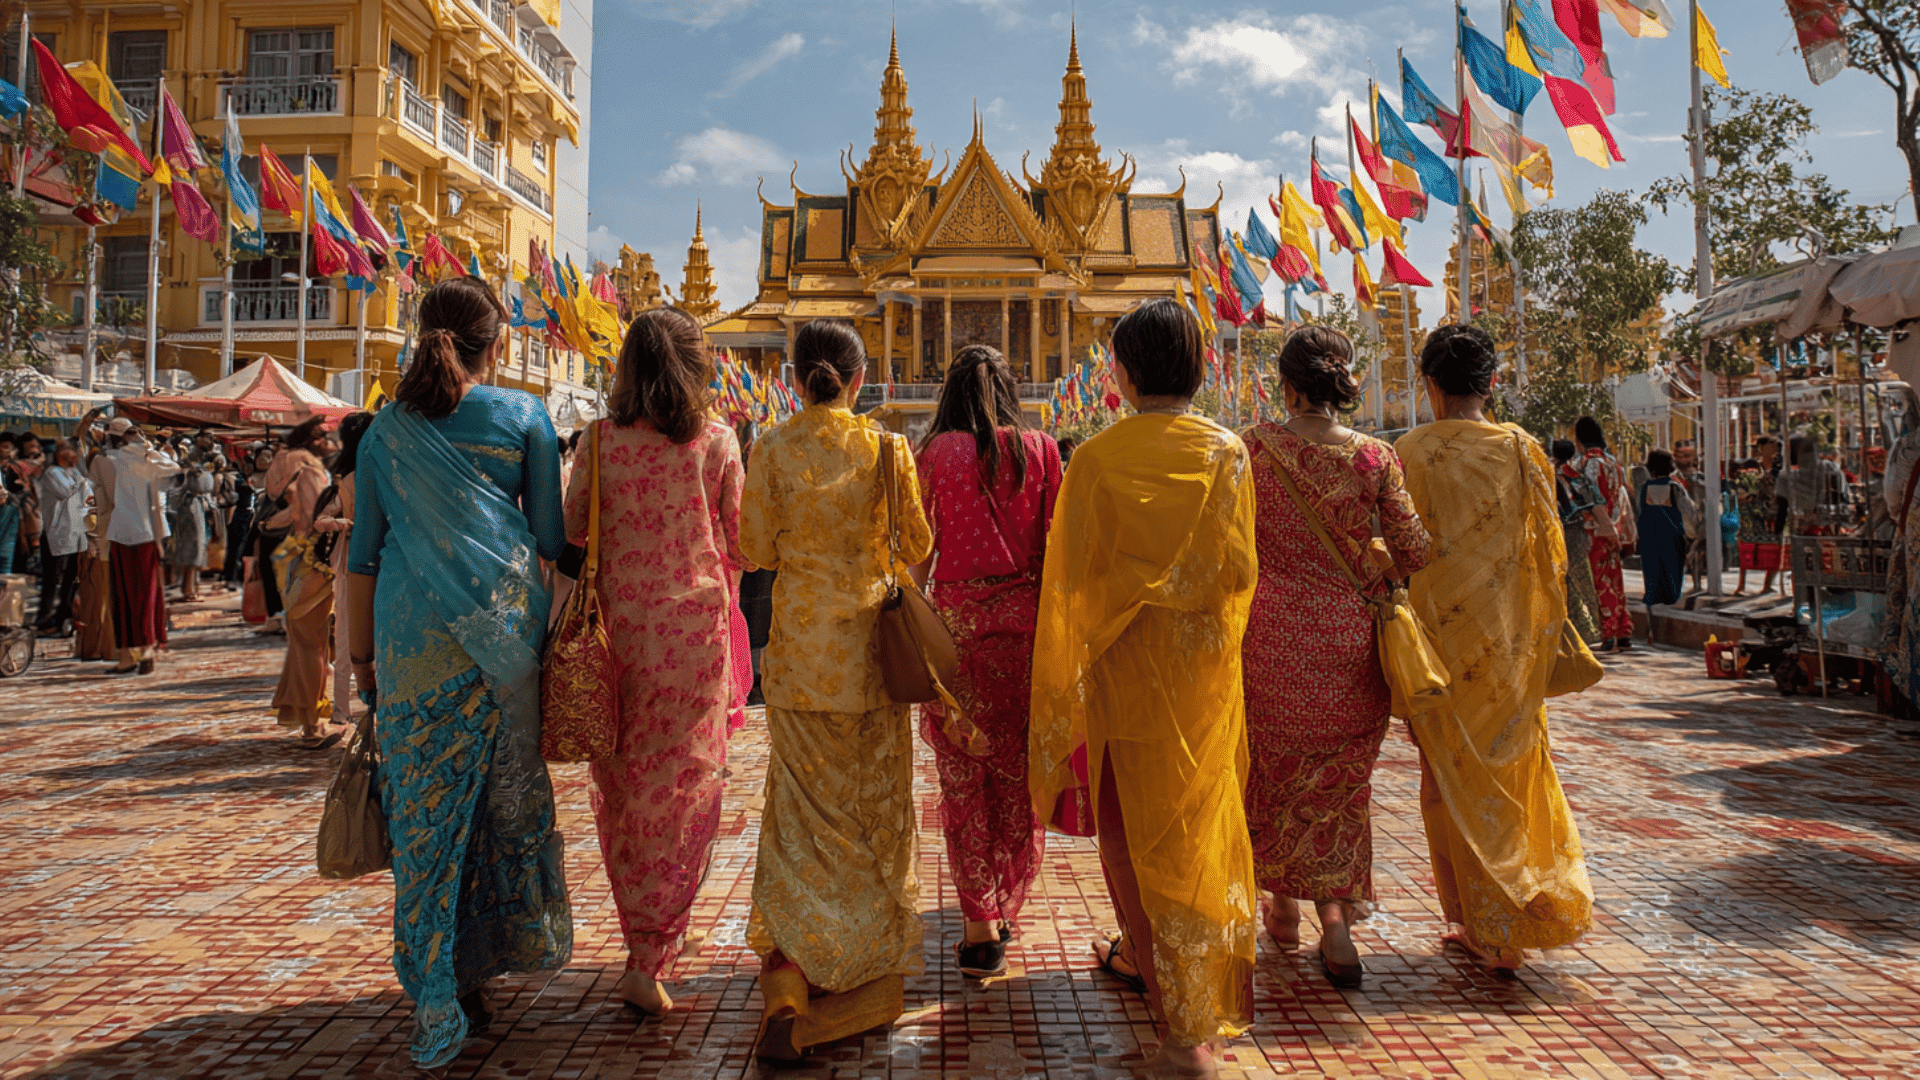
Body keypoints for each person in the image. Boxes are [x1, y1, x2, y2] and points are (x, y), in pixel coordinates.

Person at [344, 276, 572, 1070]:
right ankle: (479, 961)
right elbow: (548, 534)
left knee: (428, 819)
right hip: (502, 638)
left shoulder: (382, 433)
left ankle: (442, 982)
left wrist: (361, 661)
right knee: (495, 808)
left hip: (410, 643)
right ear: (497, 343)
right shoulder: (525, 416)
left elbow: (363, 557)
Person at [1030, 298, 1259, 1077]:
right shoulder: (1228, 452)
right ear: (1201, 368)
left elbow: (1072, 585)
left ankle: (1178, 1026)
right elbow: (1238, 574)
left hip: (1125, 673)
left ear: (1120, 374)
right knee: (1194, 836)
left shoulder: (1095, 460)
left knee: (1128, 841)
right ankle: (1190, 1020)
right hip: (1200, 672)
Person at [738, 320, 930, 1066]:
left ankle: (790, 984)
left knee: (800, 821)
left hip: (797, 663)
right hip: (870, 667)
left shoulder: (774, 447)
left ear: (794, 379)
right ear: (858, 379)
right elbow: (914, 546)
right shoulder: (888, 449)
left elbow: (755, 549)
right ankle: (856, 977)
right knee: (871, 821)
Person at [563, 308, 747, 1018]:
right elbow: (744, 545)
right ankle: (652, 946)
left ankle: (649, 932)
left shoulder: (600, 441)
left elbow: (575, 526)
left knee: (623, 789)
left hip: (619, 637)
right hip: (694, 640)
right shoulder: (717, 441)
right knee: (688, 790)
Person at [1395, 325, 1593, 974]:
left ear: (1428, 383)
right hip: (1508, 644)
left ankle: (1472, 920)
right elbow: (1550, 554)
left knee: (1441, 778)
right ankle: (1497, 923)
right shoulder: (1522, 449)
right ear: (1494, 384)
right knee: (1508, 777)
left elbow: (1400, 552)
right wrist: (1543, 628)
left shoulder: (1409, 452)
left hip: (1434, 646)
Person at [1239, 326, 1432, 990]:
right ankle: (1336, 926)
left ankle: (1283, 908)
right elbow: (1414, 550)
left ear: (1285, 386)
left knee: (1271, 775)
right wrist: (1369, 556)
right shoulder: (1375, 458)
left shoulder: (1253, 451)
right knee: (1341, 789)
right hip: (1351, 643)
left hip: (1269, 641)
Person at [911, 343, 1062, 980]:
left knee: (963, 781)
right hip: (1026, 628)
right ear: (1011, 388)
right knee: (1019, 776)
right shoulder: (1044, 450)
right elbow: (1058, 545)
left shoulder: (934, 453)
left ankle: (978, 922)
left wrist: (909, 607)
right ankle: (1006, 899)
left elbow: (919, 551)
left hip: (957, 630)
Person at [267, 416, 340, 747]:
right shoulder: (309, 467)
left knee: (304, 641)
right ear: (312, 441)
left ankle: (304, 713)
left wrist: (271, 525)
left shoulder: (282, 462)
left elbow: (287, 511)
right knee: (312, 642)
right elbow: (313, 517)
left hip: (294, 557)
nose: (329, 442)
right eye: (323, 437)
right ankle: (311, 725)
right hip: (315, 562)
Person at [93, 418, 182, 675]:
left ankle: (127, 656)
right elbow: (173, 471)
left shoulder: (107, 460)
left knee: (122, 596)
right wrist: (148, 448)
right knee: (146, 595)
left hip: (120, 532)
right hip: (143, 533)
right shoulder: (145, 460)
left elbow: (103, 500)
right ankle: (145, 651)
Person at [314, 411, 372, 731]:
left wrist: (344, 525)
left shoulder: (343, 478)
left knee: (349, 635)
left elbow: (318, 519)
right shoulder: (381, 473)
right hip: (378, 561)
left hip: (348, 561)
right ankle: (362, 708)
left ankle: (341, 708)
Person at [1574, 416, 1634, 652]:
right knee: (1614, 578)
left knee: (1597, 581)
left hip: (1593, 530)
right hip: (1613, 528)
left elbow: (1590, 499)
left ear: (1579, 440)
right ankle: (1622, 629)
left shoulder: (1586, 465)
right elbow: (1619, 498)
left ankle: (1606, 633)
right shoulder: (1613, 464)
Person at [1551, 439, 1605, 645]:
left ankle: (1577, 629)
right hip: (1576, 532)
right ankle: (1594, 628)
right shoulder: (1576, 477)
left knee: (1565, 583)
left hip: (1554, 534)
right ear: (1573, 455)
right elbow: (1594, 500)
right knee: (1584, 581)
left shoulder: (1544, 475)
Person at [34, 440, 89, 636]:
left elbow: (87, 495)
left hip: (75, 532)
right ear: (64, 454)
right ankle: (44, 620)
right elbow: (66, 491)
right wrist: (83, 483)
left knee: (70, 578)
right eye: (75, 455)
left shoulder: (75, 473)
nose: (77, 458)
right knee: (52, 578)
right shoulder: (52, 473)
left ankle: (63, 618)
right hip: (54, 533)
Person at [1637, 449, 1694, 612]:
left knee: (1652, 566)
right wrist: (1693, 534)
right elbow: (1687, 510)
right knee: (1672, 566)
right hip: (1672, 534)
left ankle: (1653, 594)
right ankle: (1671, 595)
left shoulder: (1645, 487)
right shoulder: (1675, 486)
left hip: (1649, 534)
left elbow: (1640, 510)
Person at [1733, 436, 1787, 596]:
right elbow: (1741, 493)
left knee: (1776, 550)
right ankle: (1741, 586)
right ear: (1761, 449)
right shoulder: (1750, 470)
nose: (1774, 450)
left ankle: (1767, 585)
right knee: (1748, 551)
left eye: (1776, 447)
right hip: (1752, 517)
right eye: (1770, 446)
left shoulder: (1781, 470)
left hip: (1774, 516)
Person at [166, 454, 217, 603]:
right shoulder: (192, 499)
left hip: (189, 525)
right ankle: (189, 591)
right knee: (193, 559)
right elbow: (197, 527)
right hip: (192, 527)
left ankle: (189, 589)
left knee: (193, 559)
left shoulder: (189, 498)